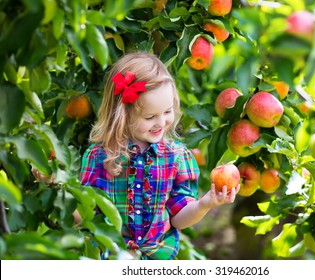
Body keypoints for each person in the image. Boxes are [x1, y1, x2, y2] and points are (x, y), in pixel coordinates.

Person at [80, 52, 239, 260]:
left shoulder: (177, 157)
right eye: (150, 117)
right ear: (121, 115)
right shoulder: (100, 156)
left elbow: (178, 219)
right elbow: (85, 213)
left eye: (167, 111)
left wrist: (204, 204)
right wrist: (59, 188)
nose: (161, 122)